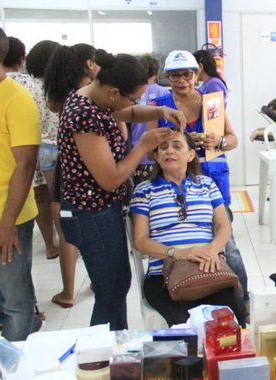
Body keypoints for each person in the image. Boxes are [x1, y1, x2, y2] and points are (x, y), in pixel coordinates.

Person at [56, 48, 184, 329]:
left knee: (116, 285)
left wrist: (161, 111)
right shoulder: (84, 115)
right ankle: (102, 349)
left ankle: (116, 345)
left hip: (103, 209)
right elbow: (111, 179)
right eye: (134, 97)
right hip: (90, 213)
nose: (135, 104)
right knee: (111, 290)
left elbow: (131, 112)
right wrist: (143, 146)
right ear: (114, 93)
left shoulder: (98, 98)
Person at [149, 50, 248, 298]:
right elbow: (150, 150)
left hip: (214, 180)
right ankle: (192, 287)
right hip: (176, 184)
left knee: (228, 245)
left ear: (196, 75)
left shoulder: (212, 103)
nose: (181, 81)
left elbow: (233, 139)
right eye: (175, 76)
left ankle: (242, 299)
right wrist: (177, 142)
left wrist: (219, 141)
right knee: (188, 238)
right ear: (167, 78)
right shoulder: (159, 107)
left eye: (187, 74)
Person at [130, 131, 247, 326]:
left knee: (231, 320)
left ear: (191, 155)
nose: (169, 151)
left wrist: (211, 250)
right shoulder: (144, 190)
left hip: (208, 269)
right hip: (164, 277)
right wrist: (178, 254)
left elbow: (224, 226)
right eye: (163, 147)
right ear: (156, 156)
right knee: (189, 328)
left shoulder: (207, 184)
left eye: (177, 146)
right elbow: (140, 241)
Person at [0, 20, 41, 341]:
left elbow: (25, 165)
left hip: (4, 218)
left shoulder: (15, 99)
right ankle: (27, 323)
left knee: (15, 299)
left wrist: (7, 222)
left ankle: (17, 361)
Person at [43, 43, 101, 308]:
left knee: (67, 229)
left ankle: (68, 292)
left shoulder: (57, 96)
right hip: (92, 168)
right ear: (89, 63)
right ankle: (99, 280)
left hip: (64, 167)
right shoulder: (90, 94)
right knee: (95, 228)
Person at [4, 37, 61, 261]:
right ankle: (66, 242)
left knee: (40, 198)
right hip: (53, 147)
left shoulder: (22, 87)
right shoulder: (53, 88)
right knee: (57, 199)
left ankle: (49, 245)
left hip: (27, 149)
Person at [131, 54, 171, 184]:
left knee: (141, 190)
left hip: (136, 152)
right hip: (158, 153)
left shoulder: (133, 92)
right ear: (157, 72)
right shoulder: (164, 93)